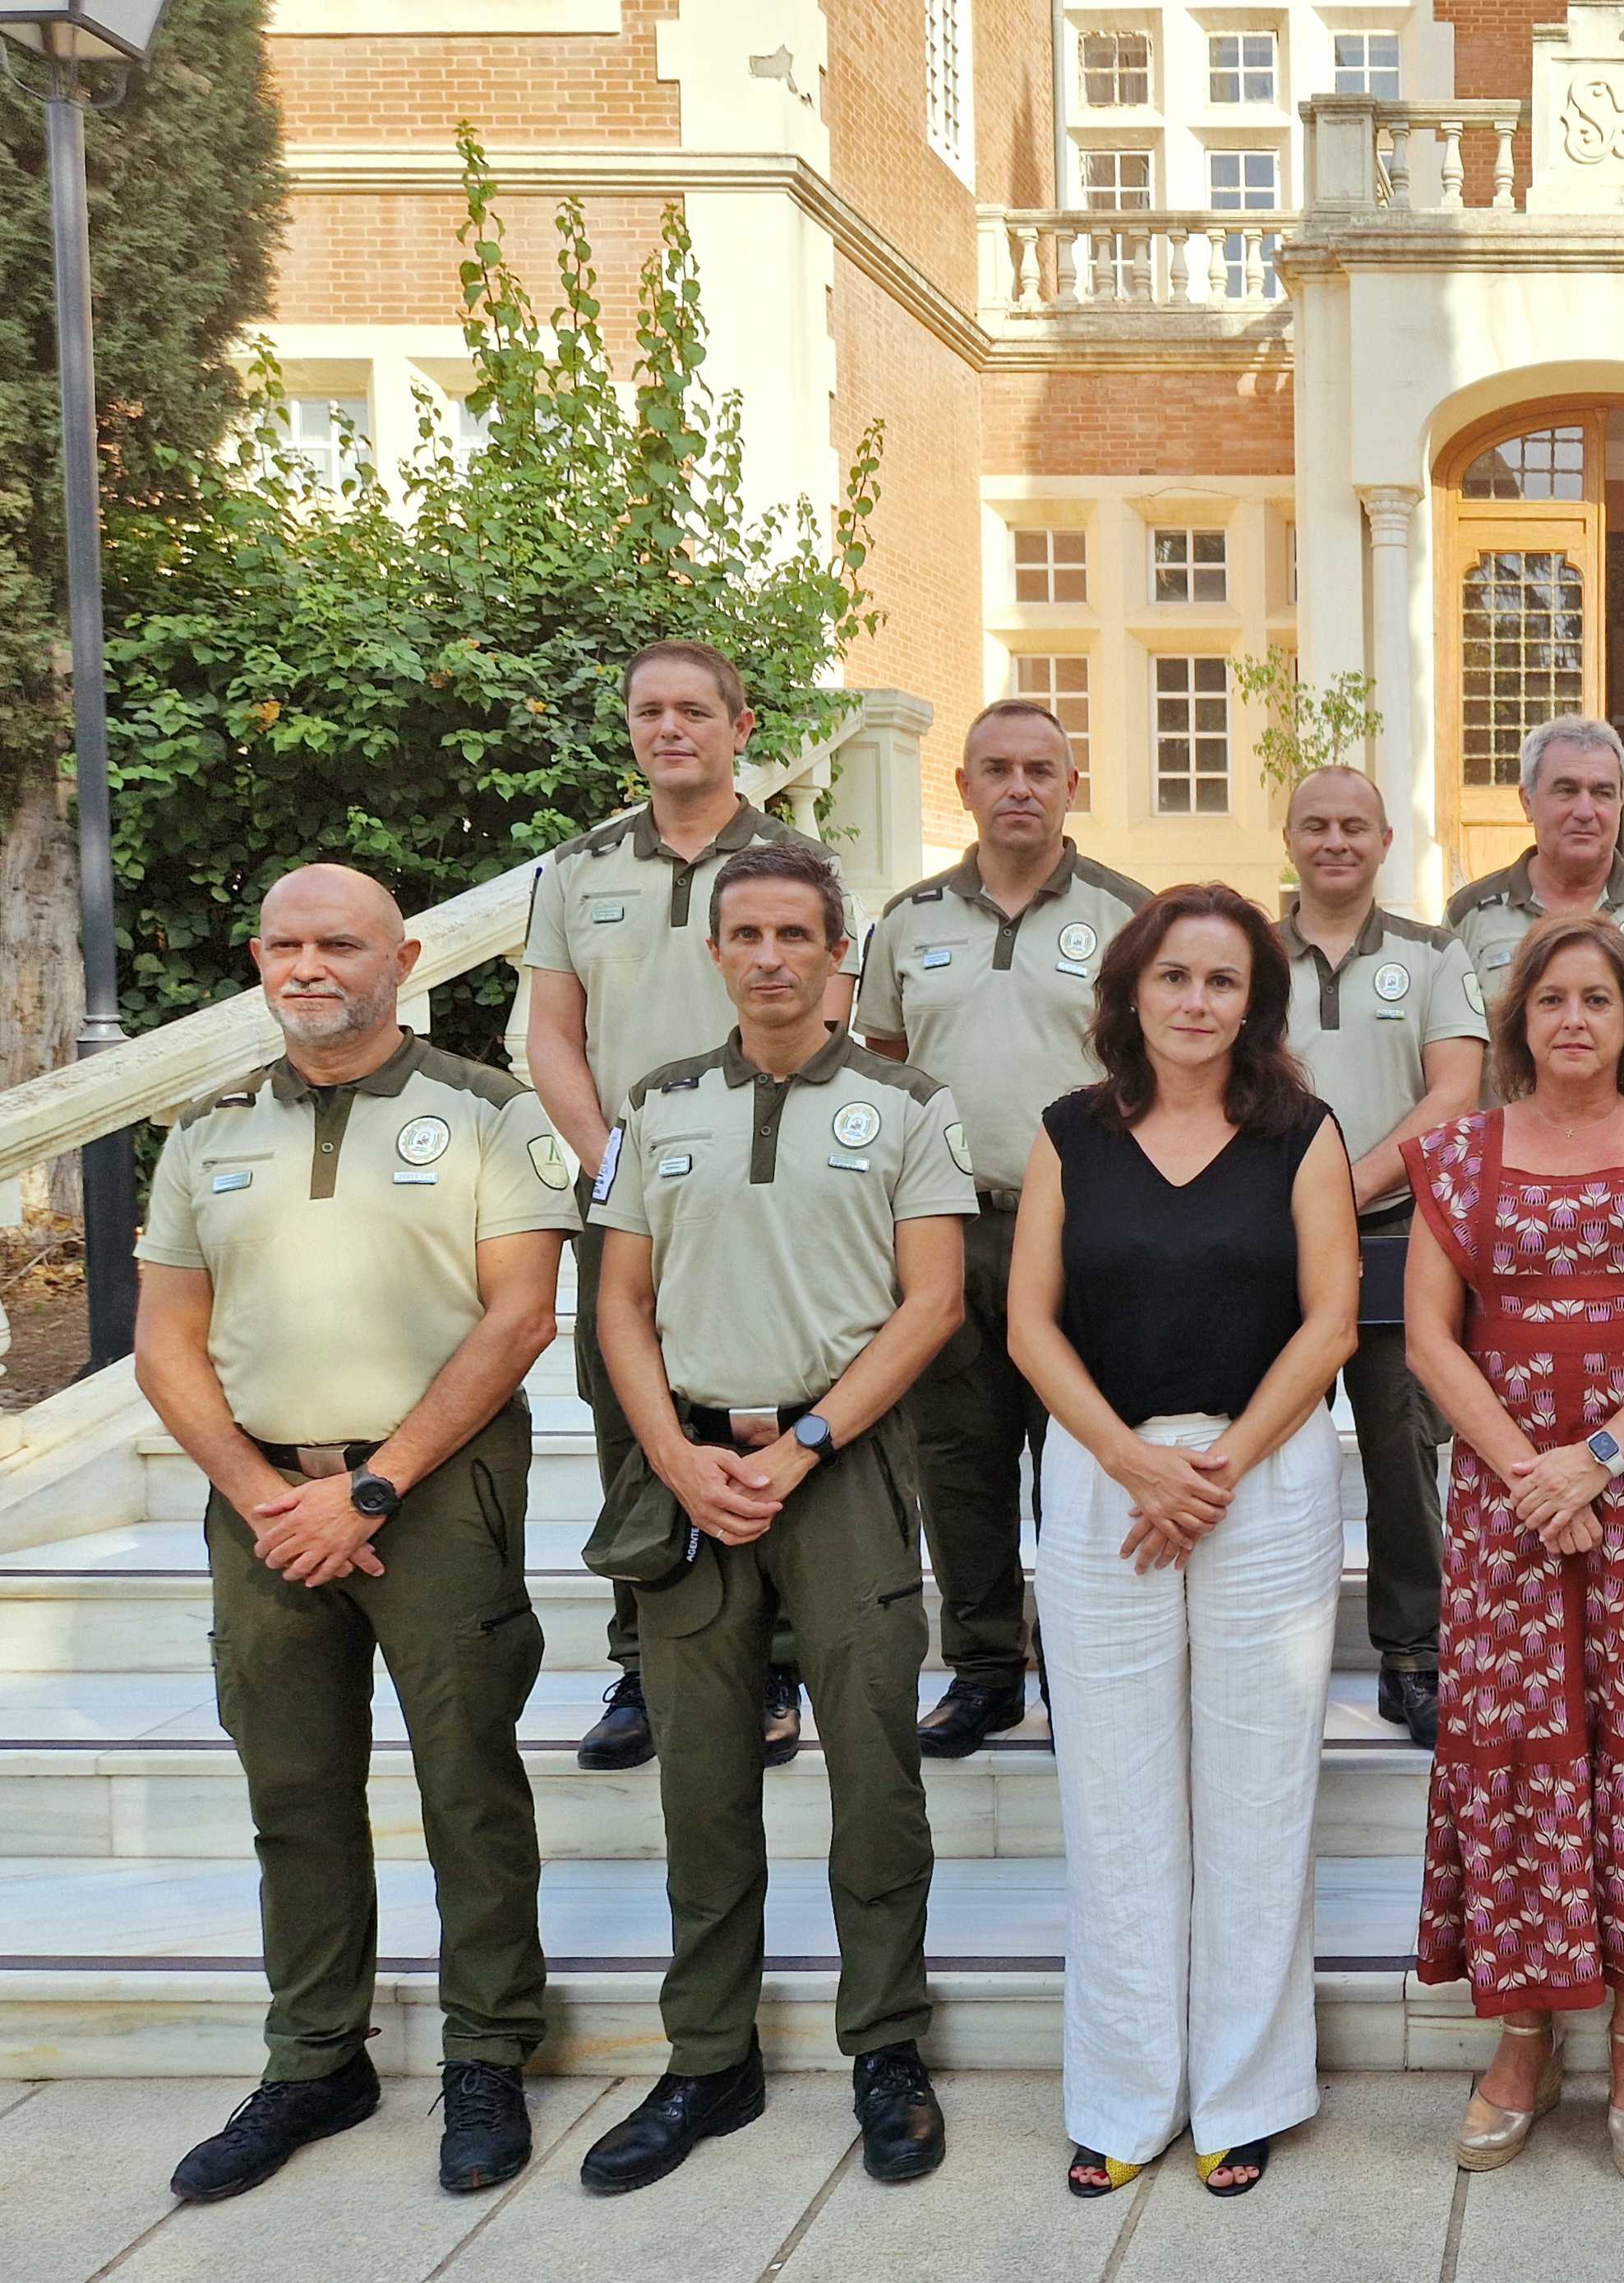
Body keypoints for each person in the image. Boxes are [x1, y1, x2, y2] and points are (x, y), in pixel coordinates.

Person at [136, 865, 573, 2203]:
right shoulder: (207, 1133)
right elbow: (165, 1338)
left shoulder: (491, 1112)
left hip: (431, 1497)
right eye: (285, 944)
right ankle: (315, 2055)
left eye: (340, 942)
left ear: (406, 957)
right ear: (258, 959)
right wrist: (268, 1494)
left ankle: (489, 2053)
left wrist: (369, 1488)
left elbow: (519, 1318)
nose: (309, 964)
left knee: (468, 1785)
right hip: (261, 1507)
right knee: (294, 1794)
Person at [579, 840, 971, 2194]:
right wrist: (679, 1462)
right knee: (699, 1777)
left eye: (794, 934)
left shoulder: (907, 1101)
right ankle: (708, 2057)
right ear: (715, 954)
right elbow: (619, 1301)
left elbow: (932, 1302)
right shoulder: (662, 1101)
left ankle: (885, 2047)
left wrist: (802, 1443)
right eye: (744, 934)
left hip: (841, 1467)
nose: (767, 956)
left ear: (835, 952)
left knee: (872, 1768)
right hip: (689, 1471)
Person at [1007, 883, 1359, 2201]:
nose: (1197, 1002)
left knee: (1259, 1793)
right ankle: (1121, 2090)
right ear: (1131, 993)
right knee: (1116, 1793)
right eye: (1174, 978)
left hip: (1258, 1478)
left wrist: (1216, 1464)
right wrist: (1129, 1458)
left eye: (1223, 981)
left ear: (1254, 1002)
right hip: (1108, 1473)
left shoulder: (1301, 1134)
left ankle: (1245, 2091)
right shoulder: (1069, 1134)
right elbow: (1030, 1321)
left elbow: (1330, 1319)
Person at [1401, 914, 1624, 2187]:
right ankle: (1522, 2025)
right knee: (1517, 1743)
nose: (1571, 1019)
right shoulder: (1453, 1157)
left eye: (1597, 1001)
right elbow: (1430, 1340)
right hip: (1507, 1500)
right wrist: (1527, 1472)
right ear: (1516, 1020)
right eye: (1550, 998)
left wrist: (1594, 1459)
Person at [524, 639, 851, 1772]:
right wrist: (608, 1162)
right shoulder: (575, 870)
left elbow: (826, 1028)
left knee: (765, 1395)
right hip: (623, 1188)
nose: (671, 729)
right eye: (649, 711)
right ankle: (641, 1660)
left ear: (739, 726)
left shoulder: (799, 861)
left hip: (763, 1177)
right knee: (633, 1413)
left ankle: (774, 1659)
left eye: (694, 711)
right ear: (630, 728)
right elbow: (553, 1037)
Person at [854, 698, 1149, 1756]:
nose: (1018, 786)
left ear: (1073, 787)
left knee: (1080, 1455)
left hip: (1086, 1233)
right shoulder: (910, 919)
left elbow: (1165, 1073)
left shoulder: (1130, 917)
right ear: (964, 788)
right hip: (948, 1228)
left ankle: (1081, 1664)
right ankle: (982, 1669)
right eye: (996, 768)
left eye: (1040, 768)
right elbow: (879, 1071)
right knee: (956, 1455)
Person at [1278, 767, 1485, 1745]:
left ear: (1385, 840)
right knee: (1270, 1448)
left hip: (1399, 1232)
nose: (1335, 842)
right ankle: (1273, 1652)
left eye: (1354, 826)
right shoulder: (1240, 954)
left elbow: (1453, 1095)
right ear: (1287, 836)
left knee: (1403, 1447)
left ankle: (1414, 1656)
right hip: (1262, 1243)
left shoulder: (1432, 955)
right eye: (1315, 825)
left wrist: (1340, 1190)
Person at [1446, 715, 1624, 1111]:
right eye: (1566, 790)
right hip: (1514, 1160)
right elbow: (1451, 1054)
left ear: (1621, 802)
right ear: (1527, 800)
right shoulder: (1469, 916)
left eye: (1602, 793)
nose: (1585, 810)